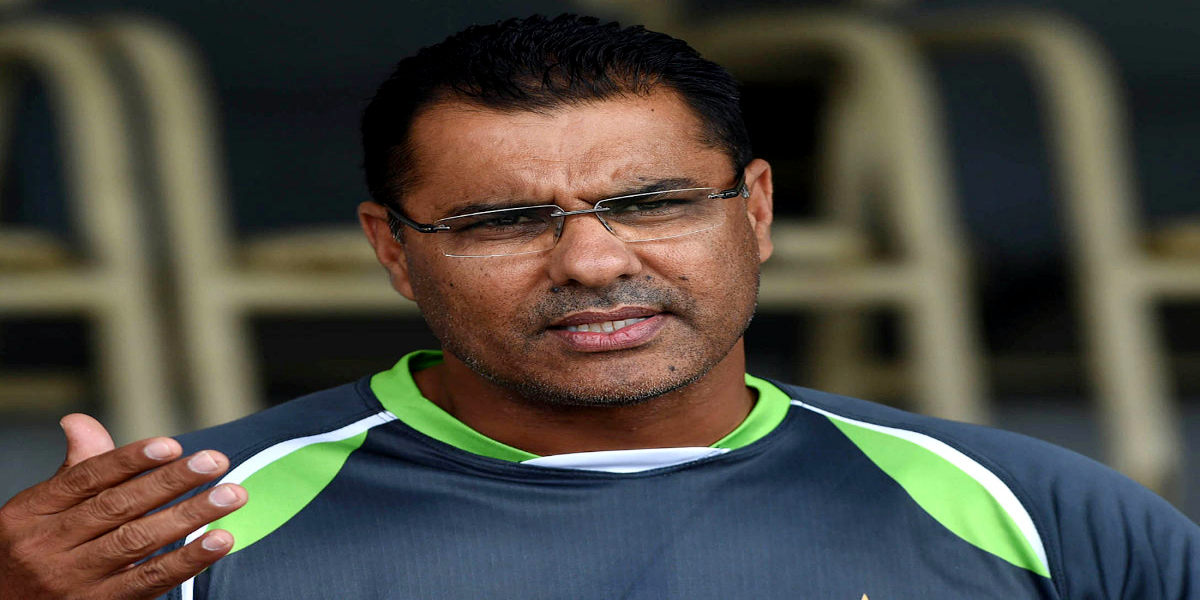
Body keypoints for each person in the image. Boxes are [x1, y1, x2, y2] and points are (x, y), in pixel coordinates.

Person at [2, 13, 1197, 600]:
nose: (588, 262)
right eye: (499, 221)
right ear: (393, 251)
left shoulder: (1036, 515)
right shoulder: (187, 537)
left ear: (757, 210)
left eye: (655, 203)